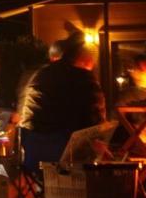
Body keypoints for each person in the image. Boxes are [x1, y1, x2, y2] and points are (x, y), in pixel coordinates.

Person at [18, 31, 106, 173]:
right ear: (86, 59)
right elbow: (95, 124)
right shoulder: (84, 79)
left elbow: (28, 117)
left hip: (31, 152)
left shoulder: (42, 73)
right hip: (66, 156)